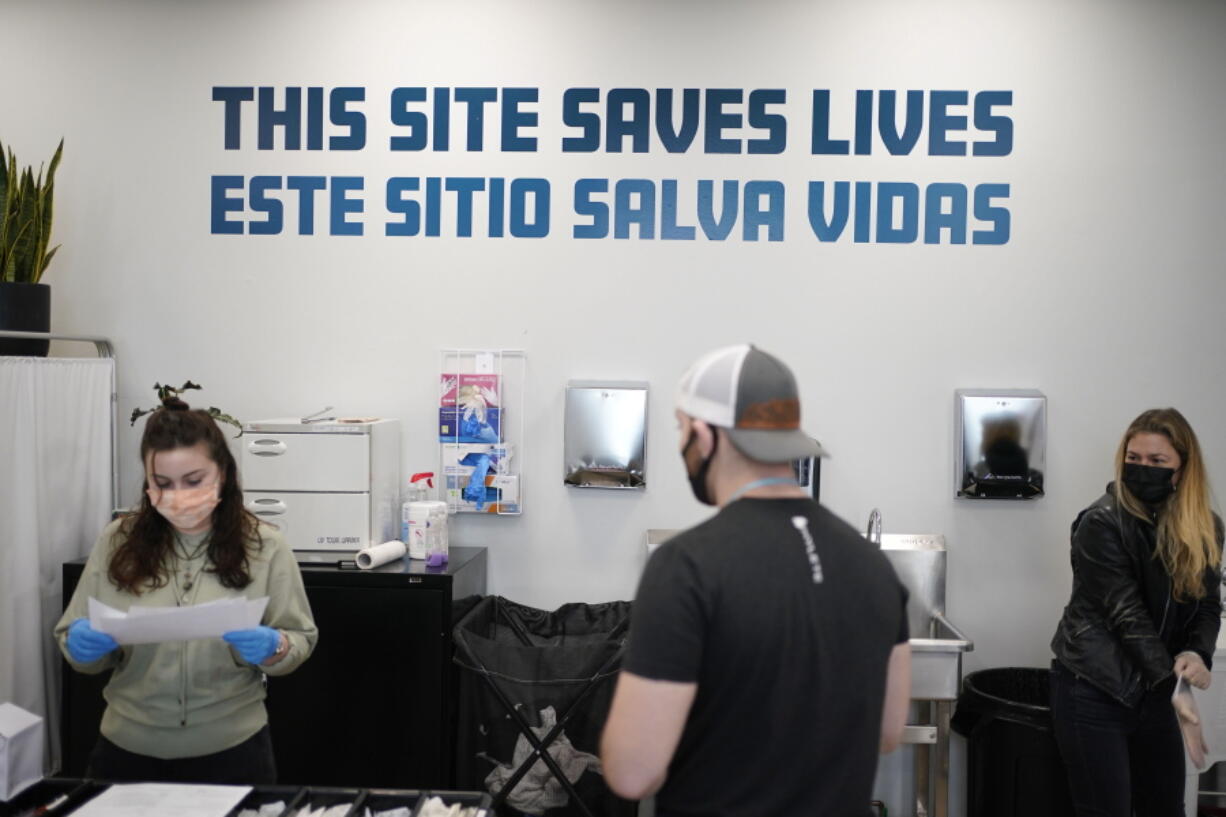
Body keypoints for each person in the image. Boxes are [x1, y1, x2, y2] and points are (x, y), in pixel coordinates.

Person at [600, 344, 911, 816]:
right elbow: (889, 733)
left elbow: (632, 772)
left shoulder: (686, 568)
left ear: (705, 436)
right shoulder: (873, 567)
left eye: (682, 430)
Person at [54, 397, 318, 784]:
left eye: (194, 481)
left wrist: (274, 647)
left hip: (233, 751)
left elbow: (299, 638)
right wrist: (81, 648)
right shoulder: (118, 541)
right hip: (126, 751)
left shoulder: (264, 545)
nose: (178, 495)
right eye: (162, 484)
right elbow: (74, 637)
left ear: (223, 474)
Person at [1050, 407, 1223, 817]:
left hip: (1154, 691)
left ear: (1182, 470)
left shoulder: (1205, 527)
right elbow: (1126, 615)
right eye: (1134, 459)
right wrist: (1175, 687)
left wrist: (1198, 653)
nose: (1142, 469)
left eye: (1157, 462)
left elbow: (1208, 603)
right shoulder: (1101, 523)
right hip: (1094, 689)